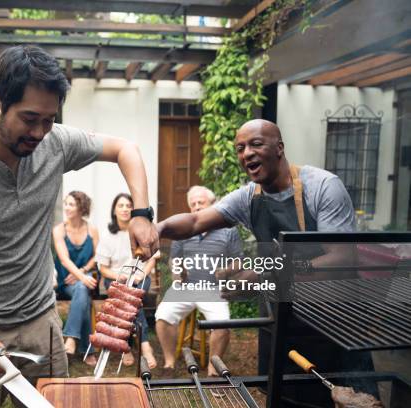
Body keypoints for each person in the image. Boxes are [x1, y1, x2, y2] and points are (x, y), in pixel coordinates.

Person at [0, 45, 158, 407]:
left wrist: (143, 213)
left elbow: (125, 149)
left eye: (49, 119)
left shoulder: (55, 143)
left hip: (40, 323)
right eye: (29, 118)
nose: (39, 132)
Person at [157, 119, 373, 406]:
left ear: (279, 148)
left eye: (256, 144)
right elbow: (196, 220)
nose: (246, 153)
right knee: (283, 396)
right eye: (240, 148)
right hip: (282, 319)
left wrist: (265, 276)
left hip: (332, 321)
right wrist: (156, 229)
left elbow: (341, 258)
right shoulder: (249, 197)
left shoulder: (322, 187)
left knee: (344, 400)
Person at [155, 186, 242, 376]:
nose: (196, 207)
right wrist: (177, 274)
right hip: (185, 286)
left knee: (222, 325)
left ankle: (213, 368)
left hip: (213, 288)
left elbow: (238, 261)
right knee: (162, 317)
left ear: (212, 204)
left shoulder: (229, 230)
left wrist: (225, 271)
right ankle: (169, 363)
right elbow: (174, 259)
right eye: (192, 204)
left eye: (200, 203)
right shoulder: (183, 230)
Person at [95, 193, 158, 369]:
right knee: (129, 298)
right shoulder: (108, 236)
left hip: (140, 276)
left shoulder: (142, 230)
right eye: (120, 205)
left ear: (133, 210)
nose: (124, 209)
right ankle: (143, 345)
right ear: (114, 210)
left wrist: (142, 273)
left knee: (132, 297)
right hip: (117, 278)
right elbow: (103, 268)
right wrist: (118, 276)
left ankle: (126, 346)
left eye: (128, 205)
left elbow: (153, 257)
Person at [52, 191, 99, 366]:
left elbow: (97, 256)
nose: (66, 207)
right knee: (82, 291)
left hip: (87, 278)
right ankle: (88, 350)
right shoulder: (59, 230)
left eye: (71, 204)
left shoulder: (92, 230)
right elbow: (63, 259)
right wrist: (81, 277)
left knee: (82, 288)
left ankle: (71, 338)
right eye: (66, 203)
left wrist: (83, 271)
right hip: (66, 282)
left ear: (81, 207)